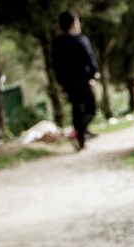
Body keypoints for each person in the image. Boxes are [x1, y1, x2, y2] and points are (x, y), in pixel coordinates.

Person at [52, 12, 99, 151]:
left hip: (68, 83)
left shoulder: (57, 42)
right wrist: (93, 75)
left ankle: (80, 140)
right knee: (91, 108)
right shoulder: (81, 40)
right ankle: (79, 132)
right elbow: (89, 58)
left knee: (76, 108)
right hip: (83, 80)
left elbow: (56, 65)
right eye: (77, 22)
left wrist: (60, 83)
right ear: (73, 23)